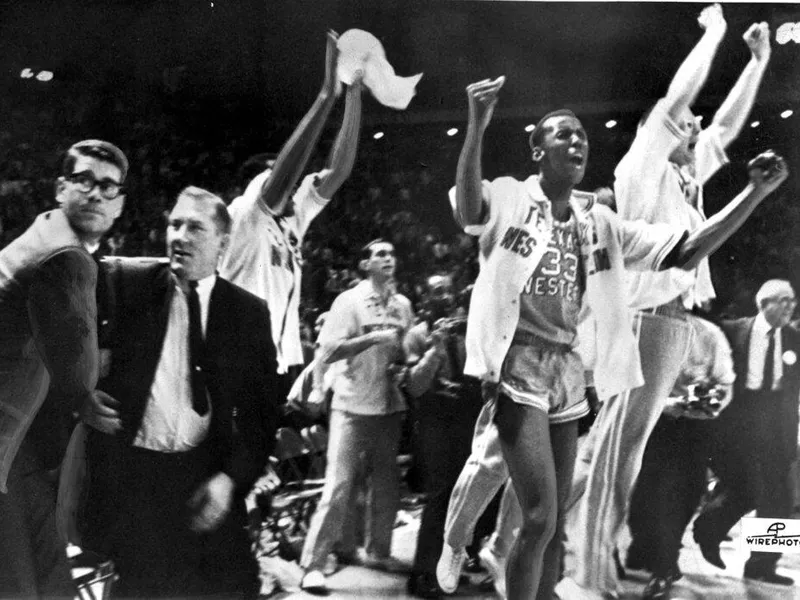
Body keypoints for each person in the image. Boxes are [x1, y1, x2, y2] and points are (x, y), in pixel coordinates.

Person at [441, 68, 787, 600]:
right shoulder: (509, 197)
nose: (576, 139)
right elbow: (468, 210)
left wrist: (754, 194)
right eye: (562, 133)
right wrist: (476, 124)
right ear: (538, 151)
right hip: (514, 363)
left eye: (581, 134)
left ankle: (527, 575)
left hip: (568, 369)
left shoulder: (599, 222)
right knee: (532, 505)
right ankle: (457, 539)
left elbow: (689, 249)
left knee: (549, 518)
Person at [564, 5, 775, 596]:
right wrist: (716, 35)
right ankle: (588, 574)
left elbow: (728, 127)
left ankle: (762, 557)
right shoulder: (641, 167)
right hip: (640, 320)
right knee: (616, 457)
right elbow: (678, 103)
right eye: (684, 123)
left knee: (610, 456)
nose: (695, 125)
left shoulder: (687, 177)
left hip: (671, 326)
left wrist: (759, 63)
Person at [81, 187, 279, 598]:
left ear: (223, 243)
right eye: (174, 224)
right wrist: (78, 397)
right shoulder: (125, 282)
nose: (180, 236)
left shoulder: (248, 313)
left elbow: (263, 420)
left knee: (236, 587)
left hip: (205, 474)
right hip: (136, 480)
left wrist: (230, 480)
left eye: (195, 227)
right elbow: (63, 342)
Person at [0, 139, 127, 598]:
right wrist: (91, 397)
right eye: (84, 180)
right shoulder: (67, 256)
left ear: (120, 205)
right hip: (4, 448)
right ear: (60, 188)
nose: (96, 193)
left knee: (50, 576)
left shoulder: (46, 232)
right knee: (19, 585)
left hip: (19, 447)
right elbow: (83, 382)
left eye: (108, 186)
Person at [219, 31, 363, 382]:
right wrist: (327, 96)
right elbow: (286, 173)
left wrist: (354, 94)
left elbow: (338, 171)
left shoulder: (291, 223)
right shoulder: (245, 213)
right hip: (234, 359)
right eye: (277, 173)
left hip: (273, 361)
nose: (292, 181)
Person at [299, 239, 414, 594]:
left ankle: (378, 551)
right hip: (350, 406)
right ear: (364, 265)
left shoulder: (403, 305)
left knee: (386, 487)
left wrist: (403, 364)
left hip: (389, 406)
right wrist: (372, 339)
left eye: (392, 254)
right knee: (338, 486)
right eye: (379, 254)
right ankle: (313, 565)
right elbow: (329, 350)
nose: (388, 259)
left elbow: (406, 350)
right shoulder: (348, 302)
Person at [693, 280, 800, 586]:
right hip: (738, 420)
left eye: (792, 301)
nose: (789, 307)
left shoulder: (794, 338)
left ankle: (761, 566)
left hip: (777, 421)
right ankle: (711, 526)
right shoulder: (731, 331)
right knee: (746, 488)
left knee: (779, 498)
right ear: (763, 304)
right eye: (782, 301)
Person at [626, 313, 735, 599]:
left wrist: (712, 401)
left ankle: (664, 565)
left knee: (684, 496)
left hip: (695, 428)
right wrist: (670, 403)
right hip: (653, 423)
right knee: (645, 498)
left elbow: (725, 383)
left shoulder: (708, 334)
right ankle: (653, 553)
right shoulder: (639, 327)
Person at [405, 274, 484, 598]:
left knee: (463, 495)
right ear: (426, 298)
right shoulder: (416, 335)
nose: (446, 297)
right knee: (439, 495)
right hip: (434, 421)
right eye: (438, 291)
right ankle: (422, 573)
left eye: (449, 290)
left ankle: (448, 566)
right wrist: (435, 349)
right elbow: (415, 385)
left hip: (465, 418)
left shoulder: (467, 331)